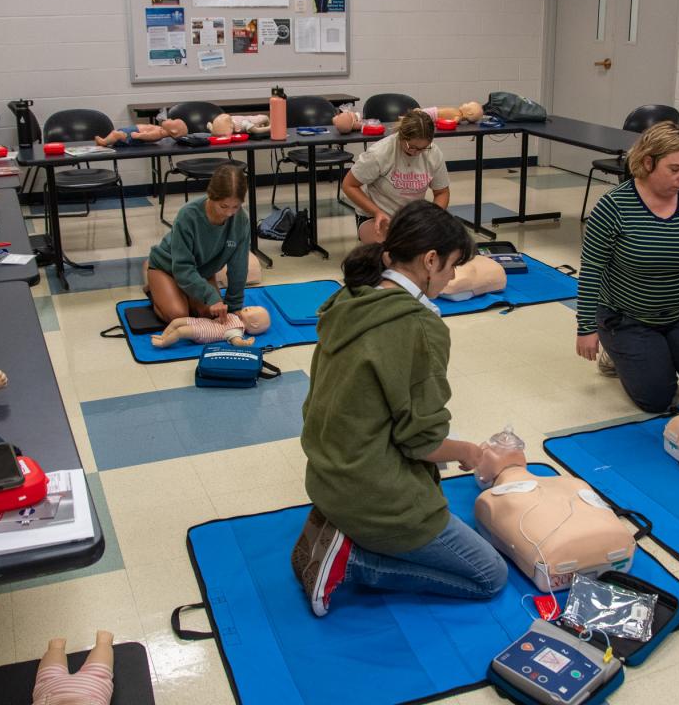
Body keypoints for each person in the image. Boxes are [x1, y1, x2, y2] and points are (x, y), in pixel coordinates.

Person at [292, 200, 508, 617]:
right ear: (430, 260)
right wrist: (471, 453)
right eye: (450, 268)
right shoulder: (418, 326)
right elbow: (421, 443)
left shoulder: (350, 300)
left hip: (327, 475)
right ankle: (351, 562)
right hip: (368, 492)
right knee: (488, 576)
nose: (450, 279)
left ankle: (340, 534)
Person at [575, 121, 679, 413]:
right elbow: (591, 270)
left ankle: (667, 352)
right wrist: (586, 328)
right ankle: (617, 355)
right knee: (656, 399)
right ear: (647, 162)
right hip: (628, 317)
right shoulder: (613, 206)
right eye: (674, 169)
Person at [145, 164, 249, 322]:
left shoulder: (241, 220)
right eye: (224, 206)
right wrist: (211, 296)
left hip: (201, 272)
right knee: (179, 315)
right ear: (211, 196)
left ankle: (182, 291)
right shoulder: (188, 215)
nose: (229, 213)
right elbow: (182, 268)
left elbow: (239, 267)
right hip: (167, 267)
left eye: (236, 206)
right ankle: (153, 283)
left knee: (211, 314)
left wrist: (234, 307)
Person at [341, 109, 452, 244]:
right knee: (393, 252)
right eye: (412, 147)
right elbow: (349, 185)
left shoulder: (433, 153)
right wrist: (376, 212)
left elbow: (442, 192)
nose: (417, 153)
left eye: (423, 148)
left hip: (411, 219)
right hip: (376, 217)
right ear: (401, 136)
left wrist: (433, 217)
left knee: (440, 247)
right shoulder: (380, 153)